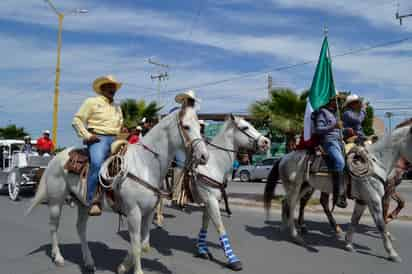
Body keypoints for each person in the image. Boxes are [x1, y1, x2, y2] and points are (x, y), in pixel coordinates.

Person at [72, 75, 123, 216]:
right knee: (97, 163)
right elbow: (77, 120)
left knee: (129, 162)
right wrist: (87, 136)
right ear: (102, 88)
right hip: (98, 138)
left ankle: (122, 197)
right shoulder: (91, 102)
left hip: (116, 139)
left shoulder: (118, 107)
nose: (112, 89)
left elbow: (120, 124)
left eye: (113, 87)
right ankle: (92, 200)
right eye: (108, 86)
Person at [313, 97, 347, 208]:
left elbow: (338, 130)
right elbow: (319, 129)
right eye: (335, 100)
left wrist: (346, 130)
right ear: (329, 101)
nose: (338, 102)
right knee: (340, 162)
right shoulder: (323, 112)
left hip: (339, 141)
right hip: (329, 141)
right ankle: (337, 197)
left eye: (338, 100)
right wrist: (334, 125)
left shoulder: (335, 113)